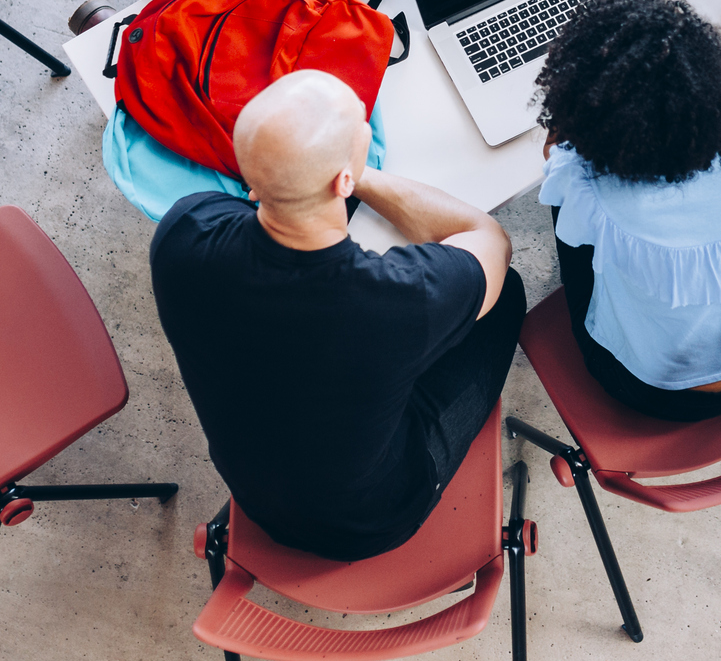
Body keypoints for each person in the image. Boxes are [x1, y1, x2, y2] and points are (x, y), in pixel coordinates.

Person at [150, 70, 526, 561]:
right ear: (343, 178)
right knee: (505, 296)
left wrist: (311, 170)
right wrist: (357, 175)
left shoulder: (182, 232)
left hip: (256, 496)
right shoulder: (403, 299)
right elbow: (490, 238)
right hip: (371, 522)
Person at [534, 0, 721, 421]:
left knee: (563, 203)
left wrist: (568, 129)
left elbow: (554, 158)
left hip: (653, 387)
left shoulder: (588, 183)